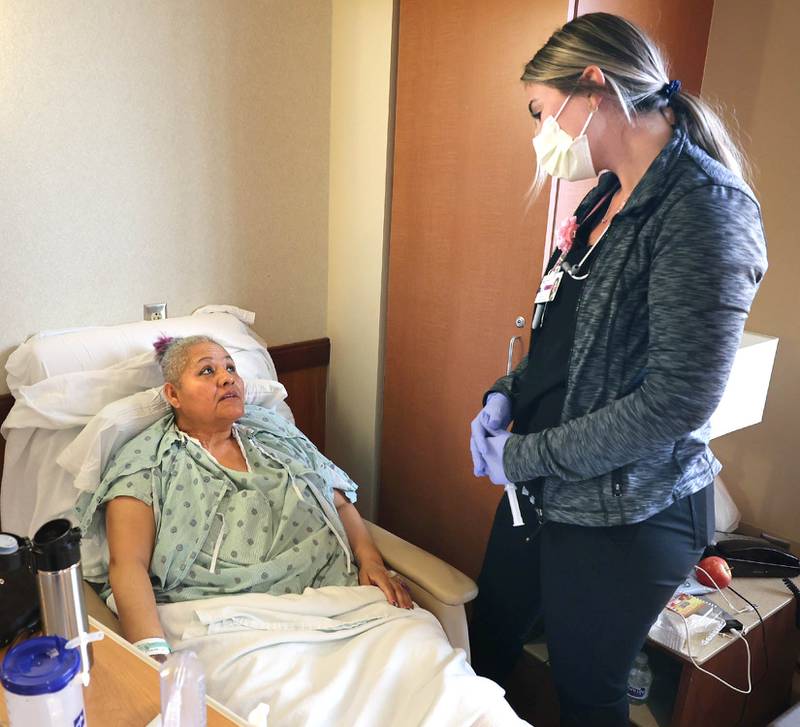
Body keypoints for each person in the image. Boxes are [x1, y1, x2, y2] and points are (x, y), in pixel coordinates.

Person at [468, 12, 767, 726]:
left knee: (586, 690)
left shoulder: (703, 211)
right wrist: (504, 396)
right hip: (545, 486)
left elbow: (675, 403)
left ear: (593, 89)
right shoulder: (604, 196)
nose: (540, 133)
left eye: (542, 112)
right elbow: (561, 341)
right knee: (487, 640)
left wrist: (525, 453)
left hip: (627, 509)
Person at [76, 335, 411, 661]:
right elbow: (128, 564)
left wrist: (370, 560)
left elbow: (337, 499)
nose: (226, 378)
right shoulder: (146, 460)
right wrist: (152, 659)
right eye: (207, 371)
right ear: (173, 394)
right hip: (227, 625)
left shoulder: (273, 431)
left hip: (339, 601)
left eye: (231, 368)